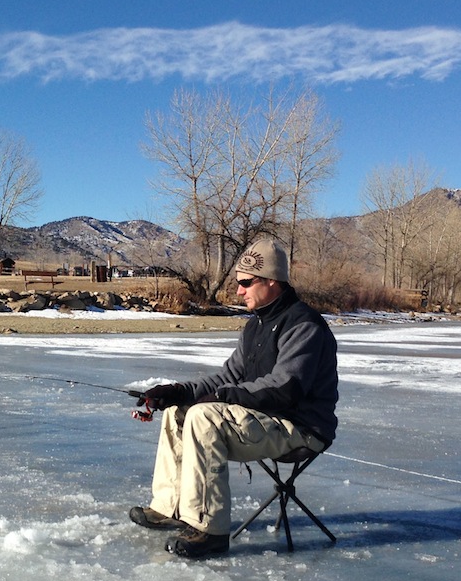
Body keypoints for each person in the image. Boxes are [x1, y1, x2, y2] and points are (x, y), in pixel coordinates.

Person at [131, 237, 338, 558]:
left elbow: (286, 388)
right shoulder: (256, 327)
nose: (239, 291)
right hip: (267, 419)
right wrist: (177, 391)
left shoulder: (304, 325)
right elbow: (229, 377)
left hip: (301, 427)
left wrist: (220, 398)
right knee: (179, 411)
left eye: (245, 283)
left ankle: (208, 529)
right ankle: (170, 508)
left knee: (203, 416)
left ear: (272, 280)